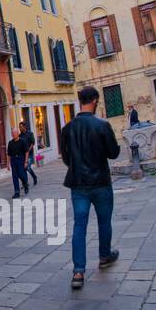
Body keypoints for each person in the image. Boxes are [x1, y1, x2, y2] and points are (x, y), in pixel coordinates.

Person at [60, 85, 121, 290]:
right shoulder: (102, 126)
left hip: (78, 185)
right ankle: (104, 256)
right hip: (101, 183)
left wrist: (78, 167)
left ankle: (78, 271)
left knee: (79, 226)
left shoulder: (67, 129)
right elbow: (113, 153)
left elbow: (66, 158)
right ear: (94, 100)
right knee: (104, 222)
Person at [7, 127, 31, 199]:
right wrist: (8, 164)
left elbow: (26, 152)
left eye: (14, 133)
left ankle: (25, 184)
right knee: (14, 176)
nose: (13, 134)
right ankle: (16, 191)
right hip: (13, 160)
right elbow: (8, 154)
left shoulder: (22, 141)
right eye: (12, 133)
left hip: (21, 159)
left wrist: (26, 162)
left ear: (17, 133)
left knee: (21, 174)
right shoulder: (10, 143)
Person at [19, 118, 38, 188]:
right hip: (23, 155)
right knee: (24, 169)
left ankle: (34, 177)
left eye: (21, 127)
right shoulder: (20, 136)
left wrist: (28, 150)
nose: (20, 128)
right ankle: (25, 183)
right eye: (19, 127)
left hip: (29, 154)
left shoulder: (30, 133)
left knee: (27, 168)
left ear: (24, 127)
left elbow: (33, 143)